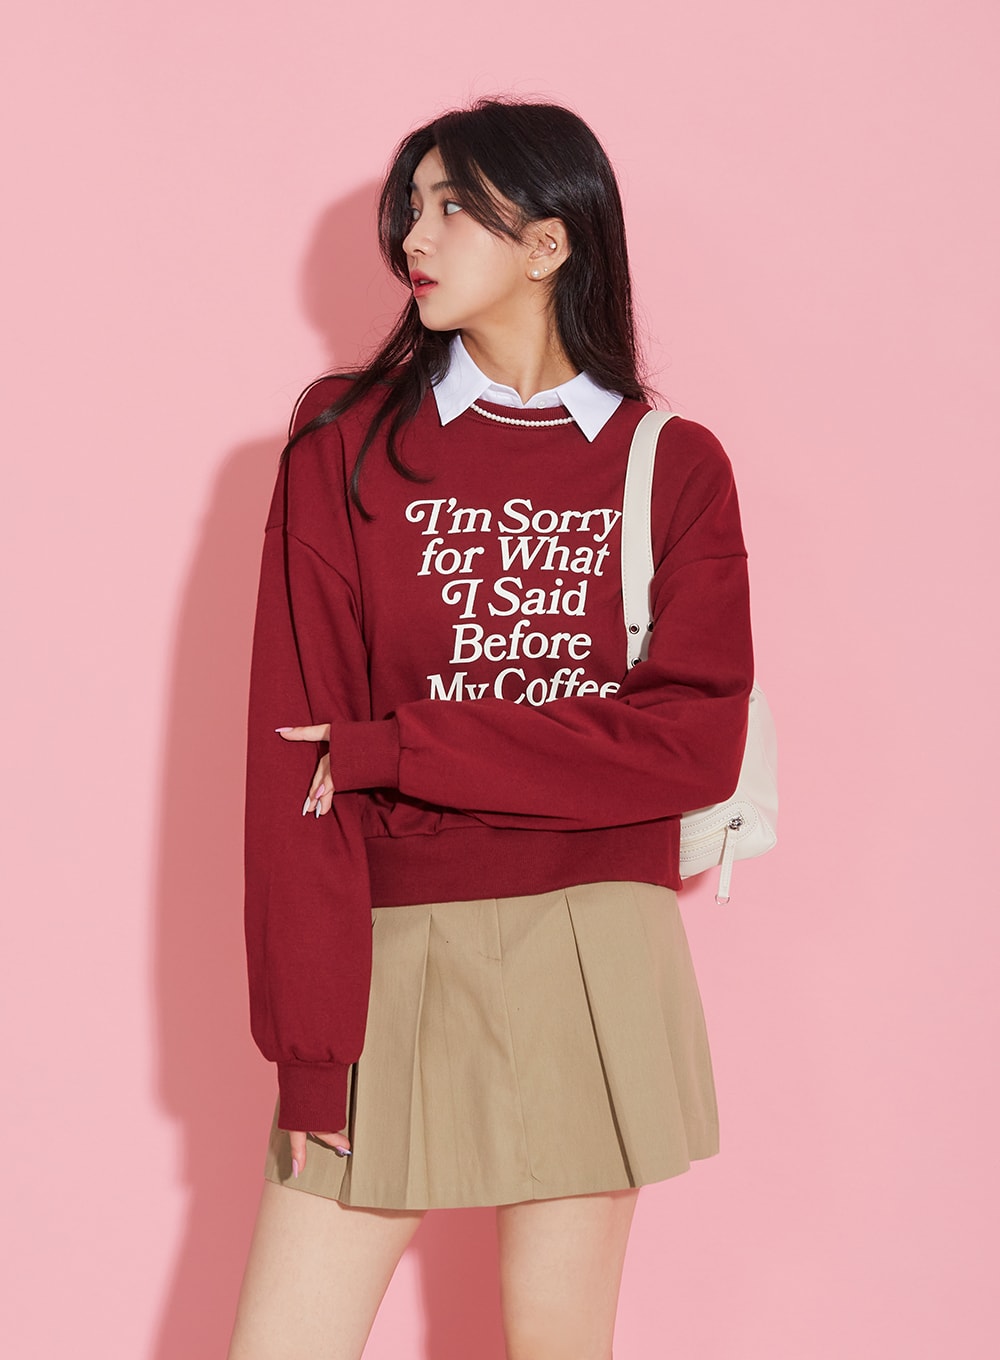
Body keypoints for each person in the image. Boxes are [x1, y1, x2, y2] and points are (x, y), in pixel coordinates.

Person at [227, 98, 753, 1360]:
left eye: (453, 206)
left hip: (597, 946)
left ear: (549, 242)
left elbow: (692, 747)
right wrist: (311, 1052)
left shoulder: (672, 465)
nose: (415, 236)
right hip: (389, 950)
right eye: (410, 208)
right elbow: (289, 765)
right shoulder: (343, 448)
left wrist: (400, 748)